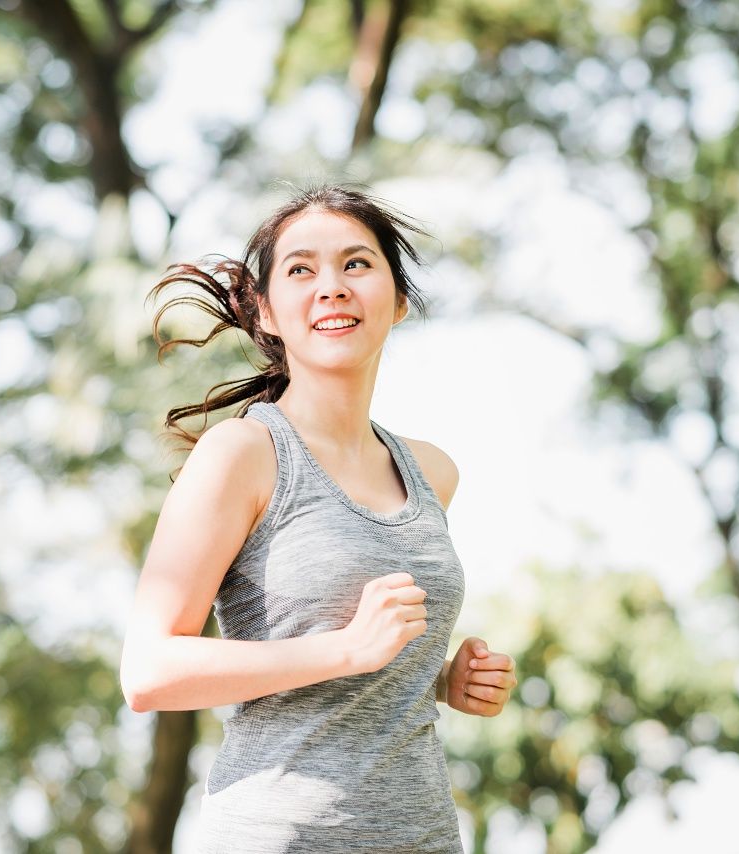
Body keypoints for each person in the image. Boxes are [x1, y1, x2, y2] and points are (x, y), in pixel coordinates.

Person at [119, 182, 519, 853]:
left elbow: (370, 659)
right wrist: (346, 650)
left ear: (398, 300)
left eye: (356, 264)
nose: (331, 287)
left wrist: (444, 677)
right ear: (267, 311)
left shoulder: (432, 472)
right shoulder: (243, 455)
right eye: (300, 270)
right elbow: (148, 671)